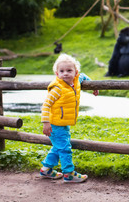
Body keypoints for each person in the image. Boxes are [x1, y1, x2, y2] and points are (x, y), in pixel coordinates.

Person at [39, 53, 99, 183]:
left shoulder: (77, 80)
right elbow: (45, 105)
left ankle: (46, 169)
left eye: (69, 70)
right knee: (65, 148)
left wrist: (93, 86)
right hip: (55, 124)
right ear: (57, 73)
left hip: (63, 122)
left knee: (58, 146)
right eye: (62, 71)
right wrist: (45, 122)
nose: (65, 73)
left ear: (75, 72)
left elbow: (84, 77)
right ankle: (69, 173)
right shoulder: (57, 88)